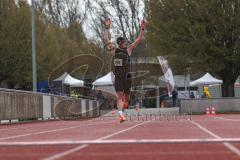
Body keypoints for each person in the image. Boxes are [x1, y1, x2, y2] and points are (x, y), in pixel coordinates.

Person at [104, 17, 145, 123]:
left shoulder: (129, 50)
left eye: (125, 42)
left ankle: (125, 106)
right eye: (123, 42)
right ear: (119, 44)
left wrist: (142, 29)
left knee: (127, 98)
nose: (125, 43)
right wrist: (107, 28)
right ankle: (121, 115)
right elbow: (106, 40)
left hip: (127, 76)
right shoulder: (115, 50)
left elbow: (138, 40)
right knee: (120, 97)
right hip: (118, 77)